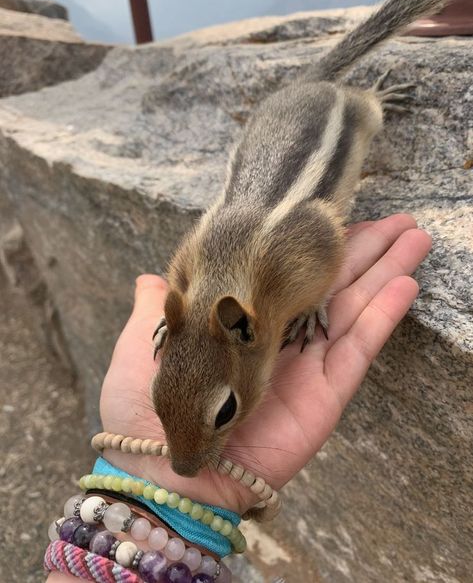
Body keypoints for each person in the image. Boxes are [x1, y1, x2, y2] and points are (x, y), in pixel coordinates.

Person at [47, 213, 431, 582]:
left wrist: (315, 299)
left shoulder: (264, 291)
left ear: (247, 330)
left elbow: (323, 231)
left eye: (222, 412)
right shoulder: (190, 287)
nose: (185, 467)